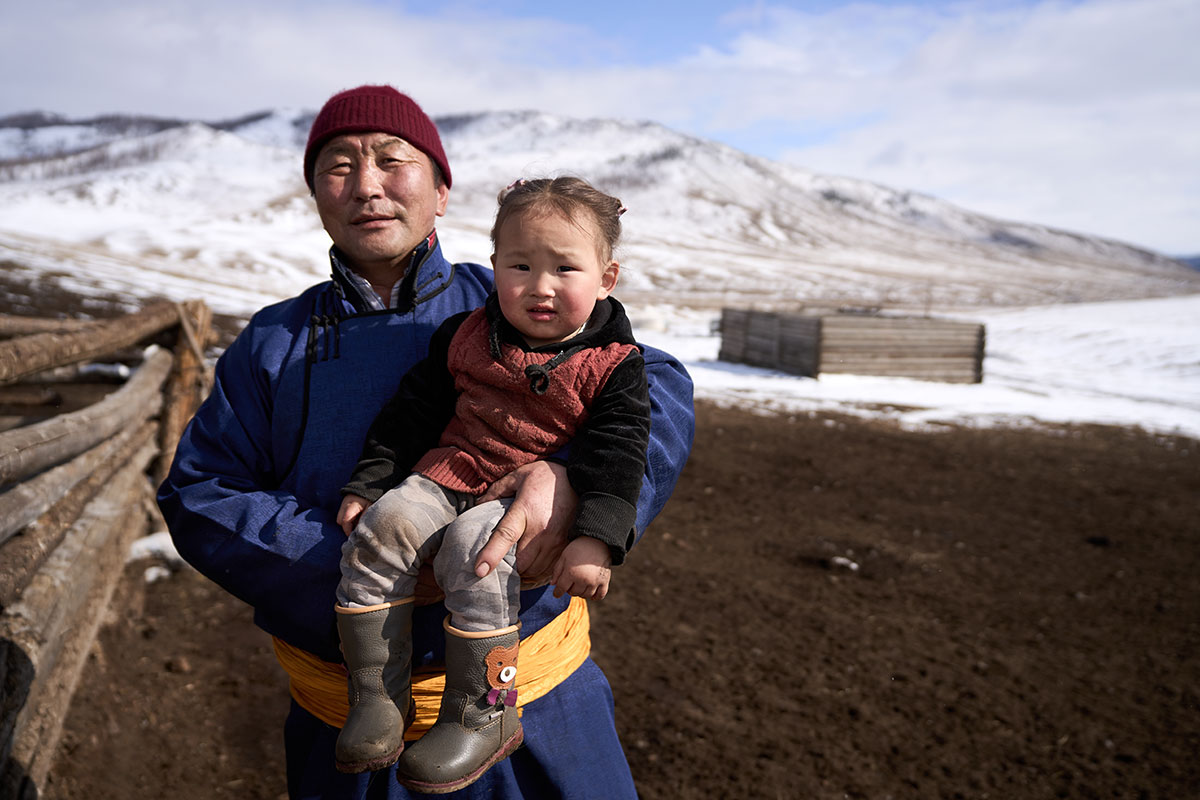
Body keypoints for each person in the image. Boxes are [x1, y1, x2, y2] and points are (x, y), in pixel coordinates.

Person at [156, 83, 695, 800]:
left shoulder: (505, 299)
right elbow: (200, 493)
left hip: (538, 713)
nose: (368, 186)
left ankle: (481, 709)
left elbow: (651, 386)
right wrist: (374, 556)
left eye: (392, 160)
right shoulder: (271, 343)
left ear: (442, 190)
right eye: (339, 166)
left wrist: (568, 485)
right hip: (344, 723)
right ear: (316, 193)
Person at [333, 176, 649, 792]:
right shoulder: (464, 336)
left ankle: (484, 713)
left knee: (479, 559)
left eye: (565, 268)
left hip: (517, 501)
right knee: (383, 530)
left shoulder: (614, 366)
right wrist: (370, 484)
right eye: (521, 265)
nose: (541, 286)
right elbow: (410, 415)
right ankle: (375, 697)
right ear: (494, 264)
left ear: (606, 279)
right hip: (450, 469)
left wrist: (596, 538)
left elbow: (621, 456)